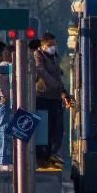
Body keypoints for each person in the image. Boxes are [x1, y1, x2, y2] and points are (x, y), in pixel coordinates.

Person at [34, 32, 72, 168]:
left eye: (54, 45)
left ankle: (52, 154)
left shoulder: (54, 57)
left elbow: (58, 77)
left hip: (55, 98)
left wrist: (64, 94)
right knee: (45, 129)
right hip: (43, 97)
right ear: (43, 45)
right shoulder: (38, 55)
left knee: (58, 129)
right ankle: (43, 157)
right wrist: (54, 84)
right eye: (50, 45)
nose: (53, 47)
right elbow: (41, 71)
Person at [0, 43, 14, 171]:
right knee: (3, 130)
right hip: (2, 101)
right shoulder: (4, 67)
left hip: (2, 101)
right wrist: (5, 96)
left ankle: (3, 160)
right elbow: (1, 85)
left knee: (3, 130)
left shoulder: (6, 67)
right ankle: (1, 161)